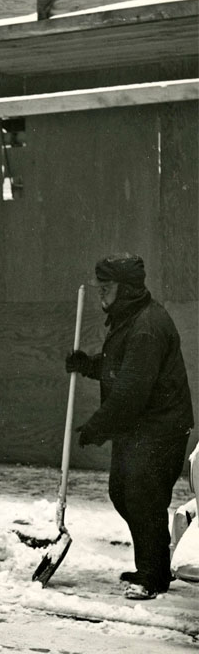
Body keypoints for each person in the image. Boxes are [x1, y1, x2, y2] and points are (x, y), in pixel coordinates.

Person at [66, 253, 194, 600]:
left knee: (142, 496)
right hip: (140, 426)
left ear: (125, 289)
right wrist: (89, 365)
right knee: (124, 492)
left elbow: (130, 391)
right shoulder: (131, 318)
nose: (100, 295)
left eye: (105, 288)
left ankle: (152, 575)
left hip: (160, 427)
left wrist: (97, 427)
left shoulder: (147, 327)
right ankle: (153, 563)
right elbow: (119, 368)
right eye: (99, 288)